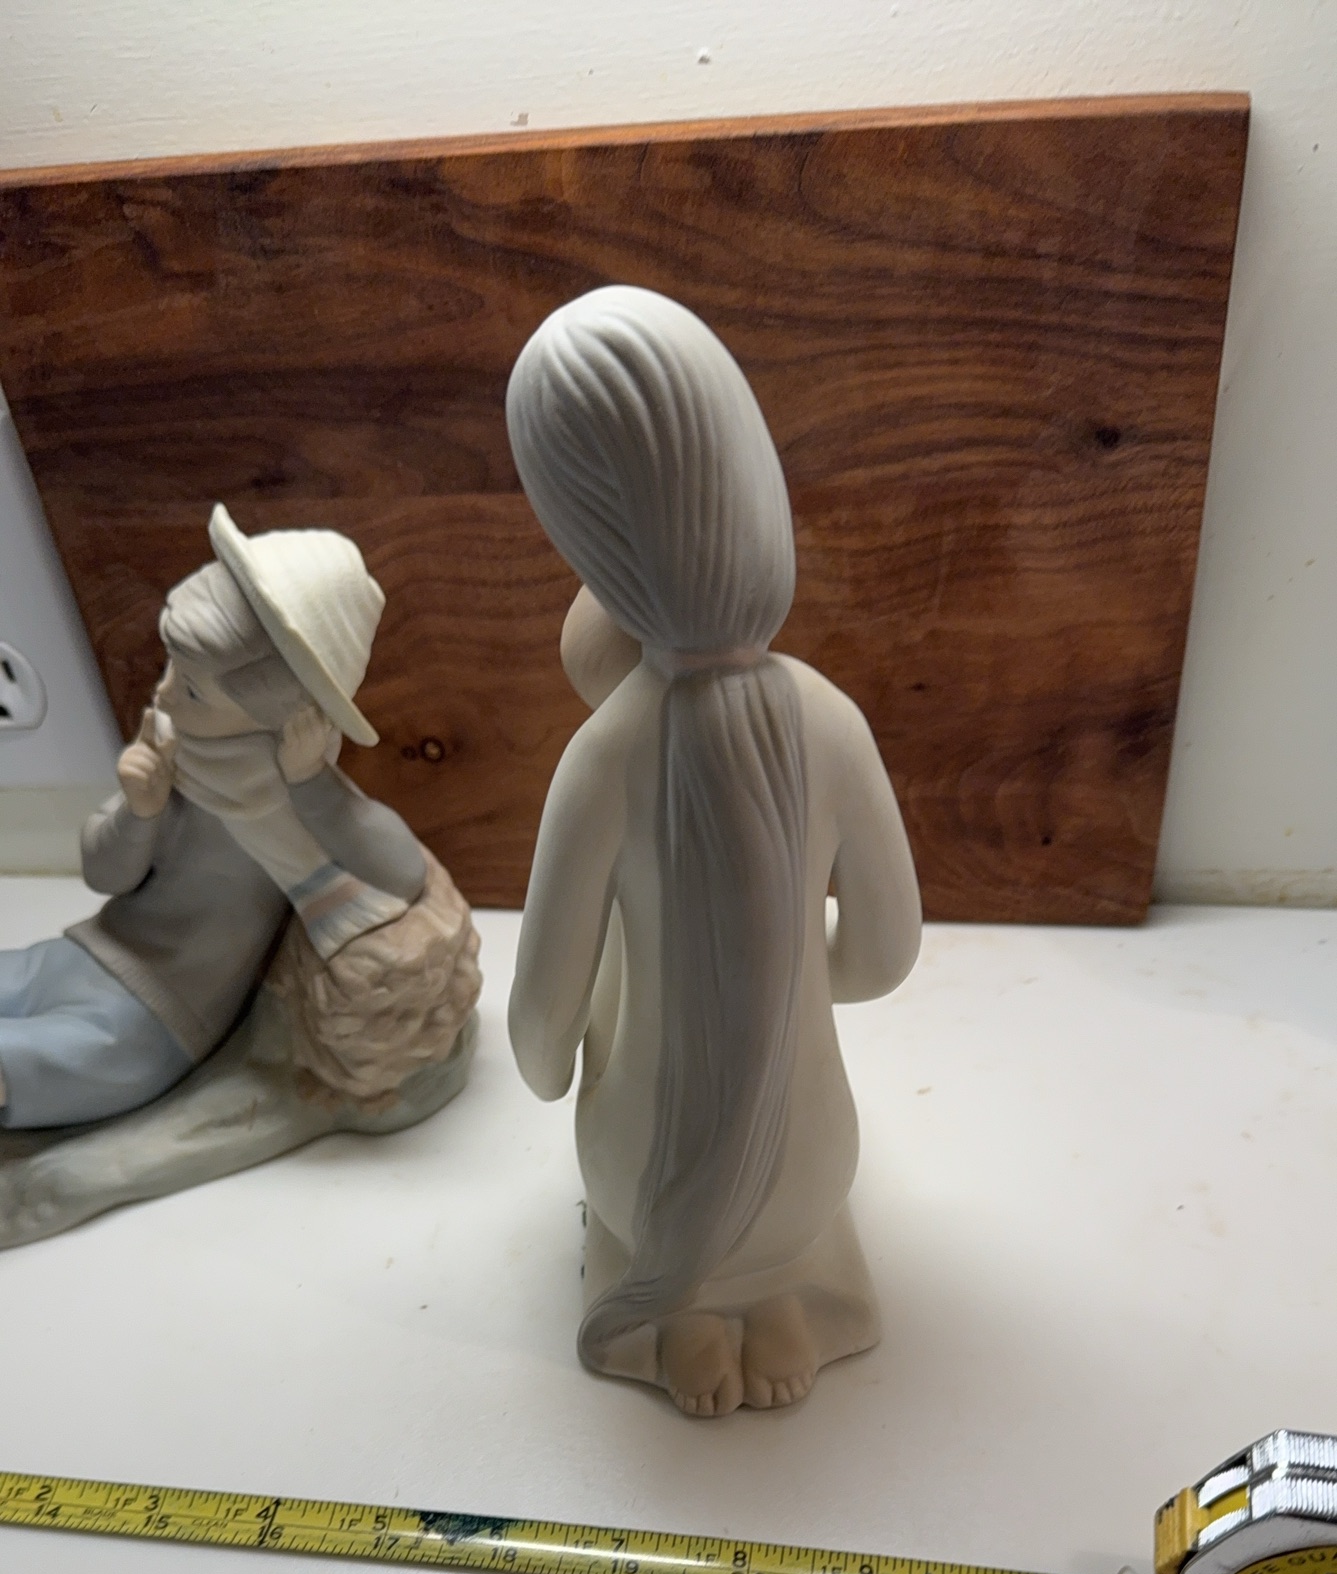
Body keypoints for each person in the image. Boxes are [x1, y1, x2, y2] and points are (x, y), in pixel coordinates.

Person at [506, 285, 923, 1417]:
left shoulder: (603, 755)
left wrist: (555, 1066)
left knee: (631, 1110)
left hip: (643, 1184)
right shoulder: (829, 719)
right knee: (797, 1185)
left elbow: (541, 1030)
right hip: (811, 1168)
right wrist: (784, 976)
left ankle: (682, 1313)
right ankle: (781, 1294)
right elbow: (884, 954)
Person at [0, 508, 425, 1131]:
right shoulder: (169, 750)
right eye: (170, 668)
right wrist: (139, 812)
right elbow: (105, 875)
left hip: (162, 1013)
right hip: (89, 952)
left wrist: (314, 784)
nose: (164, 694)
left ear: (277, 712)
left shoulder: (295, 795)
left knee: (43, 1062)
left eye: (193, 689)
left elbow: (404, 872)